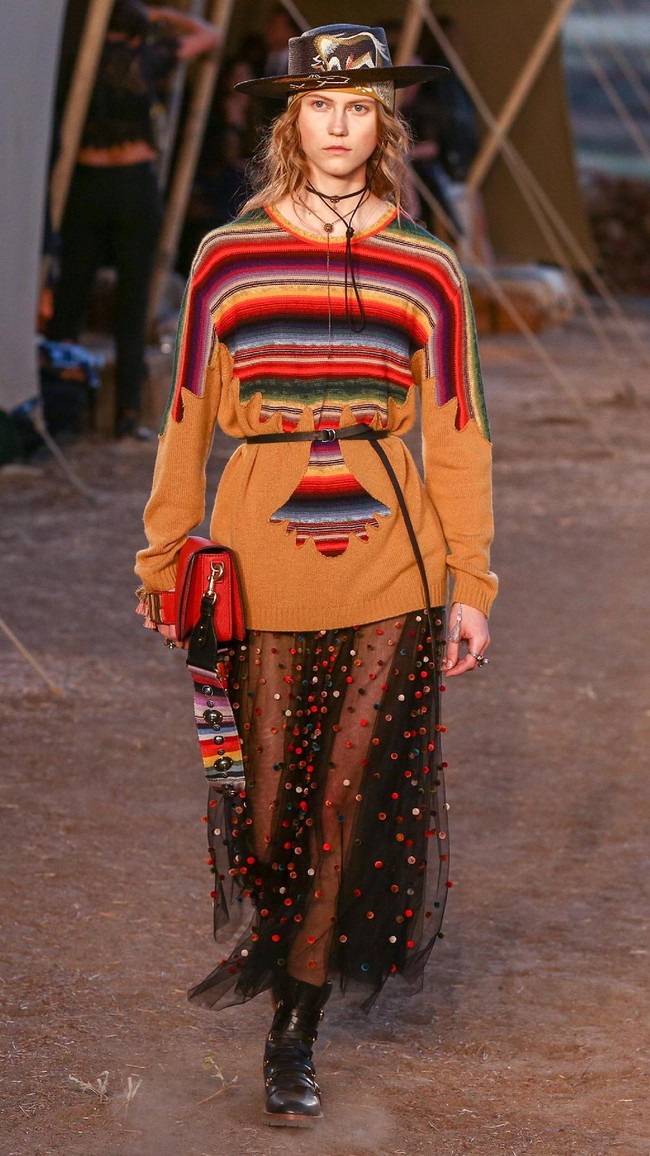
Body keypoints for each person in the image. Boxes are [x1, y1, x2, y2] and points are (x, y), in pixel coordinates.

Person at [135, 23, 497, 1127]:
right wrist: (161, 552)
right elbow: (189, 416)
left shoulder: (425, 263)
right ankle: (285, 939)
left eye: (358, 109)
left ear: (380, 125)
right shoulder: (228, 256)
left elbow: (457, 430)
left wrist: (469, 579)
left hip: (391, 556)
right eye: (318, 106)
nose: (338, 126)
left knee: (343, 792)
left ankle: (293, 1023)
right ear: (288, 121)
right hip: (253, 557)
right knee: (268, 795)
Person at [49, 0, 220, 439]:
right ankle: (126, 413)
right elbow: (207, 34)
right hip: (132, 185)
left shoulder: (75, 62)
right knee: (132, 300)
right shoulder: (146, 57)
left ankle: (64, 412)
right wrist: (160, 15)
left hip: (87, 182)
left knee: (72, 294)